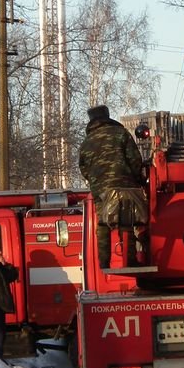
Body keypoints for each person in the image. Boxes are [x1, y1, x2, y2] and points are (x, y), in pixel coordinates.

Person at [78, 105, 146, 269]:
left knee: (102, 224)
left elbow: (83, 168)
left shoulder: (87, 141)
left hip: (100, 190)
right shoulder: (121, 134)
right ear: (107, 117)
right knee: (126, 221)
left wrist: (96, 182)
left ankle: (104, 262)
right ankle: (129, 260)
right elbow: (135, 159)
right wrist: (137, 179)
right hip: (124, 185)